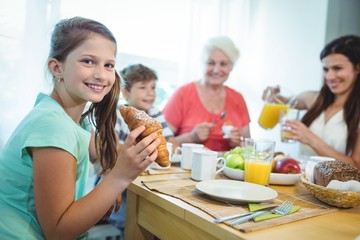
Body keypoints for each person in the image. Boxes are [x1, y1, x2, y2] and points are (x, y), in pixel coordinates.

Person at [0, 17, 160, 239]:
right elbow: (58, 232)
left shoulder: (70, 117)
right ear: (57, 67)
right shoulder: (52, 126)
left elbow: (98, 153)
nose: (101, 74)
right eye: (88, 61)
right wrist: (119, 178)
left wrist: (109, 172)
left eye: (109, 65)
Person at [263, 35, 360, 169]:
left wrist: (310, 138)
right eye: (326, 69)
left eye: (337, 68)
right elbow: (284, 102)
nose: (329, 76)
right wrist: (274, 94)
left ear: (357, 68)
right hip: (300, 180)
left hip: (335, 188)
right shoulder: (313, 99)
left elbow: (356, 166)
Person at [104, 63, 177, 238]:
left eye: (153, 87)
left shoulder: (155, 114)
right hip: (121, 182)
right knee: (130, 222)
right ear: (126, 93)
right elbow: (111, 149)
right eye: (143, 87)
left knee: (157, 217)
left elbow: (169, 142)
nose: (150, 92)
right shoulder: (117, 115)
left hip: (148, 180)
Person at [163, 36, 251, 152]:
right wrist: (191, 137)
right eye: (210, 63)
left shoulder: (238, 98)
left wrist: (238, 143)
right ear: (202, 64)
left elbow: (248, 146)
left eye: (223, 64)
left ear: (231, 67)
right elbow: (161, 142)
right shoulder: (183, 94)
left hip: (225, 169)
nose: (216, 70)